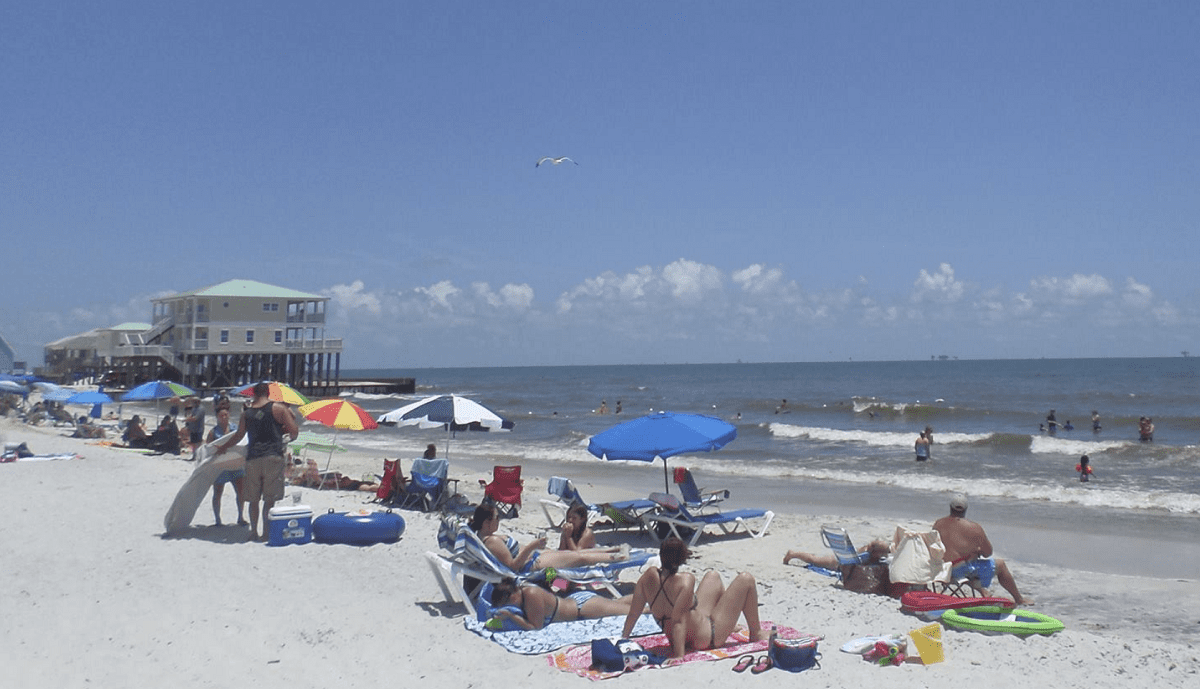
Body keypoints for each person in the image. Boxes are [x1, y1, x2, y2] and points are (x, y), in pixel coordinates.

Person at [622, 537, 768, 658]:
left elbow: (634, 613)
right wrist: (679, 655)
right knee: (746, 579)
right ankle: (756, 633)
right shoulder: (685, 581)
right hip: (707, 637)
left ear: (661, 555)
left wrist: (623, 639)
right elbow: (678, 620)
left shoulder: (647, 577)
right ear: (681, 560)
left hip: (683, 634)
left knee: (713, 576)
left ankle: (729, 625)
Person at [214, 382, 299, 541]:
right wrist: (285, 429)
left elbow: (239, 435)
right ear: (269, 393)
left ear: (253, 393)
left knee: (253, 500)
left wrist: (223, 447)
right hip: (273, 457)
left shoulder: (246, 413)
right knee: (269, 499)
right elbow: (294, 432)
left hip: (253, 458)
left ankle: (253, 532)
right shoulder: (279, 409)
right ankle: (266, 533)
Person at [468, 504, 628, 574]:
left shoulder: (486, 538)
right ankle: (619, 556)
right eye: (497, 517)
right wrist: (532, 546)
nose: (499, 519)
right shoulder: (492, 541)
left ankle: (612, 550)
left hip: (535, 557)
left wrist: (536, 548)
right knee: (578, 557)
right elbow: (513, 567)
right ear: (487, 522)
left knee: (576, 556)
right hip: (532, 565)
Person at [933, 494, 1031, 605]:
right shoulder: (974, 528)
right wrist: (976, 551)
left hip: (941, 569)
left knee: (965, 562)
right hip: (959, 572)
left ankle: (983, 591)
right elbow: (988, 553)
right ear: (965, 509)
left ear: (950, 507)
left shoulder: (938, 524)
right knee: (1001, 565)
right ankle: (1019, 599)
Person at [488, 577, 634, 630]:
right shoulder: (524, 592)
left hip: (582, 608)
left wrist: (511, 616)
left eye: (508, 603)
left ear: (513, 596)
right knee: (617, 604)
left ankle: (652, 600)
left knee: (631, 611)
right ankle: (642, 595)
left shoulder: (531, 595)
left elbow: (535, 626)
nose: (511, 606)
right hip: (577, 600)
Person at [207, 408, 245, 527]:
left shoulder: (235, 429)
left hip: (235, 464)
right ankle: (218, 519)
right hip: (220, 467)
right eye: (221, 415)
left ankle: (240, 517)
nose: (224, 417)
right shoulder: (213, 432)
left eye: (226, 415)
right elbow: (208, 448)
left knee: (240, 492)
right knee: (218, 492)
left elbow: (243, 441)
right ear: (217, 417)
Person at [783, 539, 890, 569]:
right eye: (882, 553)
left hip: (841, 559)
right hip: (836, 563)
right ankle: (792, 554)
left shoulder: (867, 550)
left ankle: (794, 553)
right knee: (814, 560)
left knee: (814, 558)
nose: (883, 556)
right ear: (875, 552)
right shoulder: (866, 555)